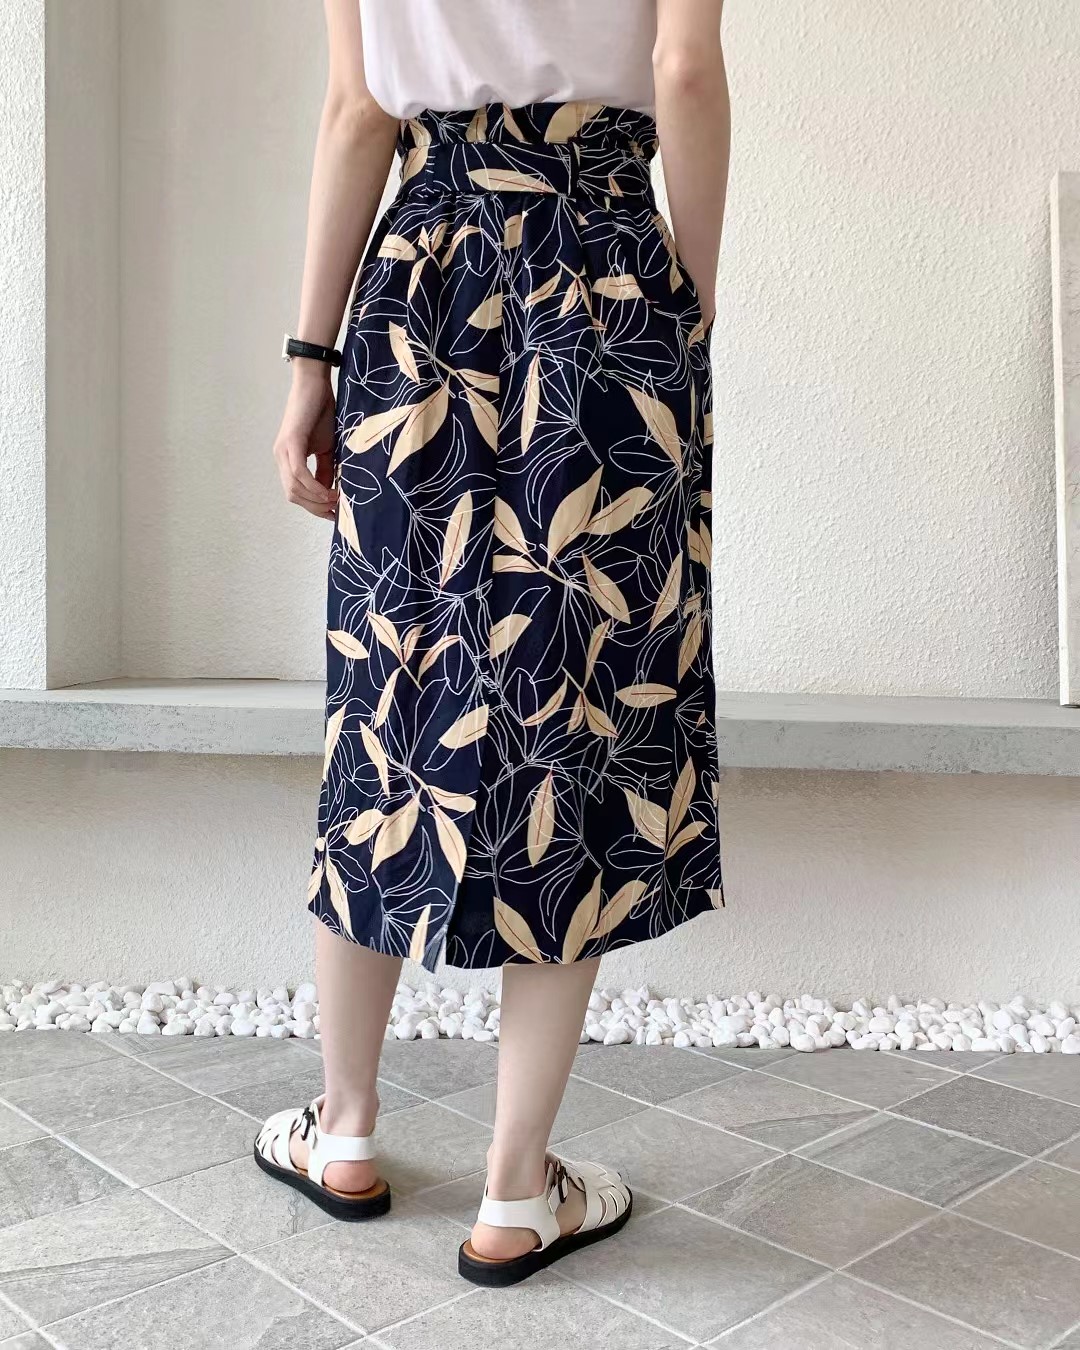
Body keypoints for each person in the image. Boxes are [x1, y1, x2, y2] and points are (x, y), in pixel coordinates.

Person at [259, 0, 730, 1286]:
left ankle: (345, 1130)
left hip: (422, 279)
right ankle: (517, 1192)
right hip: (605, 265)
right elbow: (685, 72)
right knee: (576, 700)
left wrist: (309, 362)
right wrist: (690, 298)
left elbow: (358, 111)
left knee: (388, 696)